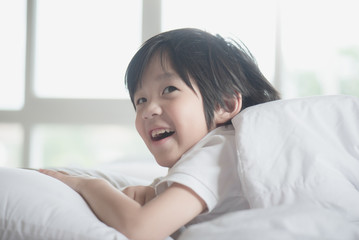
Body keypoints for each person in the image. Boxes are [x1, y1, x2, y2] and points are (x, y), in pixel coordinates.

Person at [40, 28, 280, 240]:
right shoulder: (217, 151)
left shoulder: (217, 152)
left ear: (224, 105)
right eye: (141, 99)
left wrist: (88, 185)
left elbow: (140, 229)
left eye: (169, 89)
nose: (147, 110)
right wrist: (155, 193)